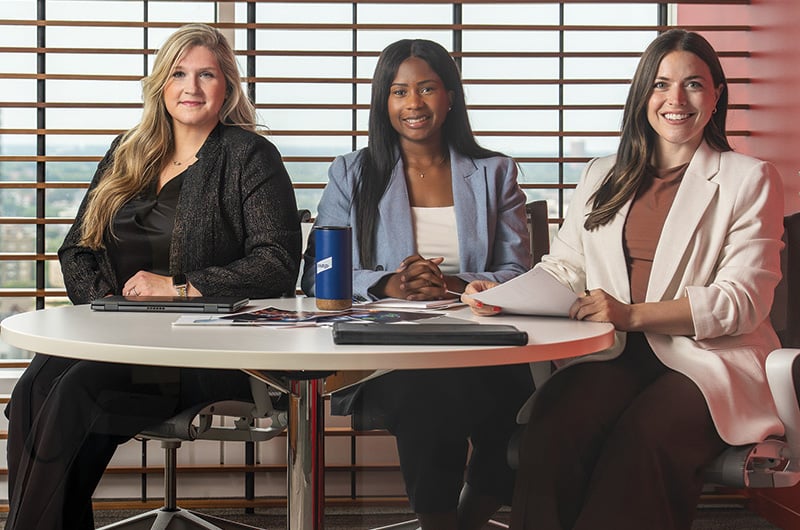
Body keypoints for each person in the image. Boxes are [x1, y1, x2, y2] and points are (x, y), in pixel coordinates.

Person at [462, 29, 785, 530]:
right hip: (612, 351)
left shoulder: (750, 179)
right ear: (643, 96)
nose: (676, 99)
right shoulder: (602, 173)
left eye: (694, 84)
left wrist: (632, 314)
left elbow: (740, 302)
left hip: (706, 358)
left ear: (717, 94)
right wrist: (503, 295)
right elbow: (565, 269)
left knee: (644, 440)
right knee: (552, 434)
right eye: (661, 84)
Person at [5, 23, 301, 530]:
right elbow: (78, 248)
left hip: (204, 350)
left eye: (206, 74)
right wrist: (107, 310)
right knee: (33, 390)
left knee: (77, 394)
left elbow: (276, 263)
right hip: (119, 338)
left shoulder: (250, 156)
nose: (191, 87)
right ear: (161, 84)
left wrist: (179, 287)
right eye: (179, 73)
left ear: (226, 85)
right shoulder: (129, 148)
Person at [301, 39, 533, 530]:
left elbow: (518, 274)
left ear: (450, 95)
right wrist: (390, 284)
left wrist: (451, 283)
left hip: (481, 344)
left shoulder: (494, 172)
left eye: (426, 88)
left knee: (526, 411)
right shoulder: (353, 173)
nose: (413, 103)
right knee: (429, 394)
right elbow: (317, 274)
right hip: (388, 352)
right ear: (383, 102)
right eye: (398, 91)